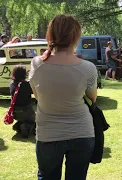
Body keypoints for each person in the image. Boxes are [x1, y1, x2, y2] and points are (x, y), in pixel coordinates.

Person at [28, 14, 97, 180]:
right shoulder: (87, 68)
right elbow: (92, 99)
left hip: (48, 134)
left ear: (50, 35)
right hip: (81, 132)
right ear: (76, 37)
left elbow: (38, 97)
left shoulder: (37, 64)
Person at [10, 65, 35, 138]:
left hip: (15, 111)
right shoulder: (26, 85)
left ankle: (18, 126)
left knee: (24, 119)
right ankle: (25, 127)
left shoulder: (11, 84)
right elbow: (34, 92)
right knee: (35, 121)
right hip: (26, 111)